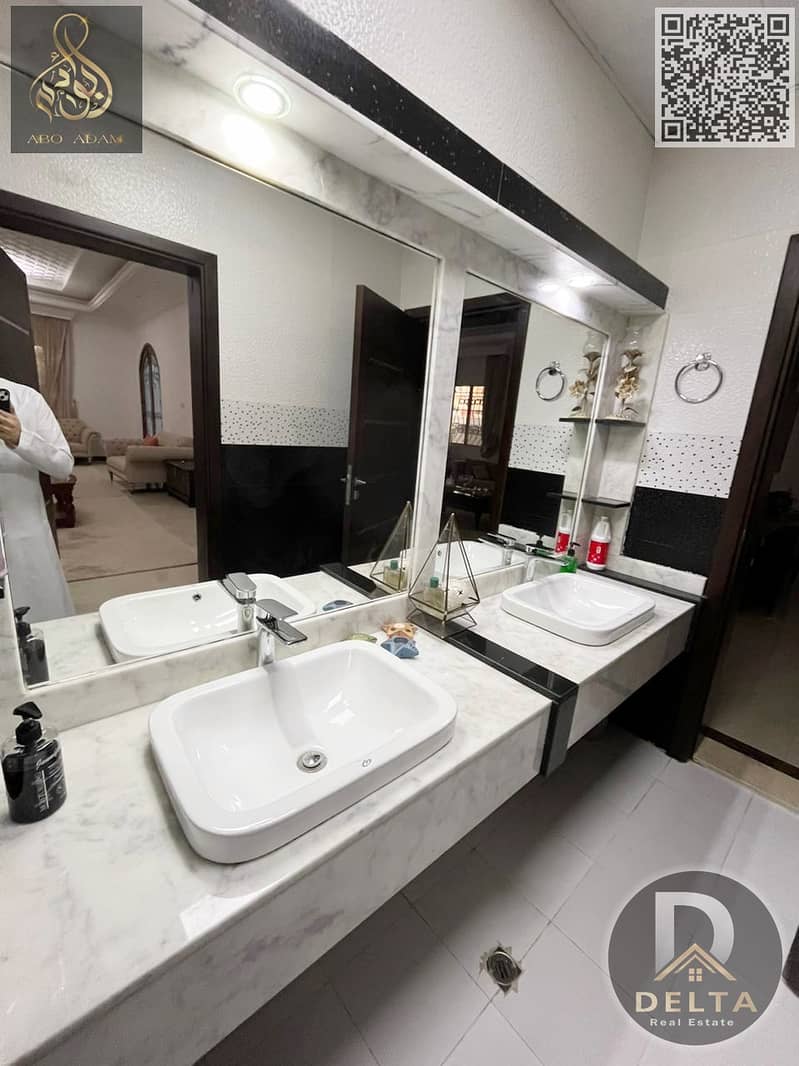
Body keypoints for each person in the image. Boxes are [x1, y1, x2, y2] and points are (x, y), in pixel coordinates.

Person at [0, 376, 74, 622]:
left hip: (24, 537)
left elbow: (63, 465)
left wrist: (21, 438)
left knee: (41, 623)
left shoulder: (27, 399)